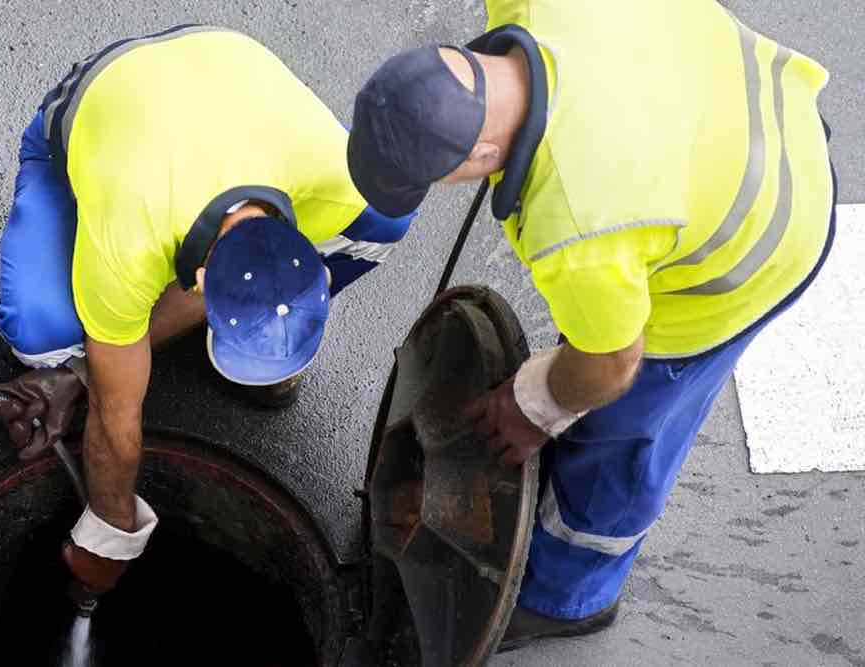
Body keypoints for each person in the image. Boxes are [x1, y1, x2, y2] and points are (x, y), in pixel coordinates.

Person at [347, 0, 834, 651]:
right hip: (752, 108)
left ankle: (569, 595)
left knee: (622, 426)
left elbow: (613, 363)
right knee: (595, 337)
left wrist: (534, 404)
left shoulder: (578, 222)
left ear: (486, 149)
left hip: (762, 229)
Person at [0, 25, 415, 598]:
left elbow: (390, 200)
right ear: (201, 282)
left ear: (299, 242)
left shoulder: (342, 183)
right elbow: (115, 412)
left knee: (382, 224)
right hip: (104, 97)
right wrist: (109, 534)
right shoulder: (127, 242)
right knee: (42, 338)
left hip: (220, 64)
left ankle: (261, 332)